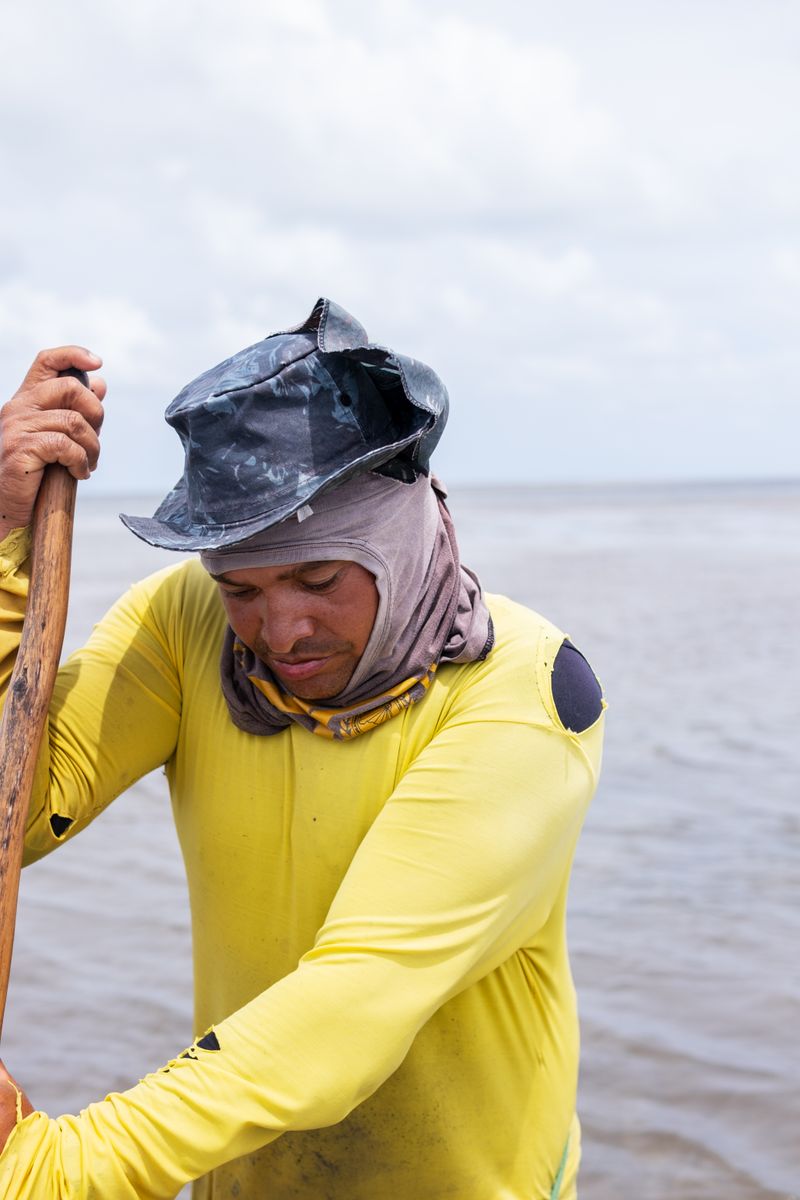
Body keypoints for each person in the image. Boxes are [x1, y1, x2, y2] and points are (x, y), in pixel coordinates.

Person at [0, 299, 605, 1199]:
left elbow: (352, 1005)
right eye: (240, 587)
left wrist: (63, 1169)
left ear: (396, 536)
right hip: (241, 1176)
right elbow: (20, 814)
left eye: (319, 578)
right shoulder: (189, 626)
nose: (280, 629)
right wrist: (5, 537)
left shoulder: (526, 692)